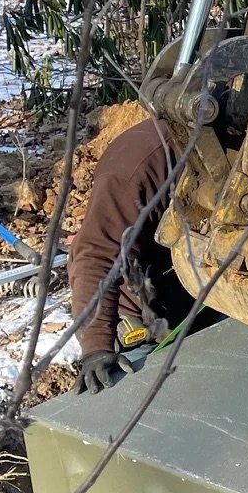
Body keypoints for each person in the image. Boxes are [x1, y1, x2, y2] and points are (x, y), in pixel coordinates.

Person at [70, 115, 191, 393]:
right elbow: (97, 256)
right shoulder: (140, 166)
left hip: (207, 300)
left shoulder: (245, 147)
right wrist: (96, 346)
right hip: (148, 321)